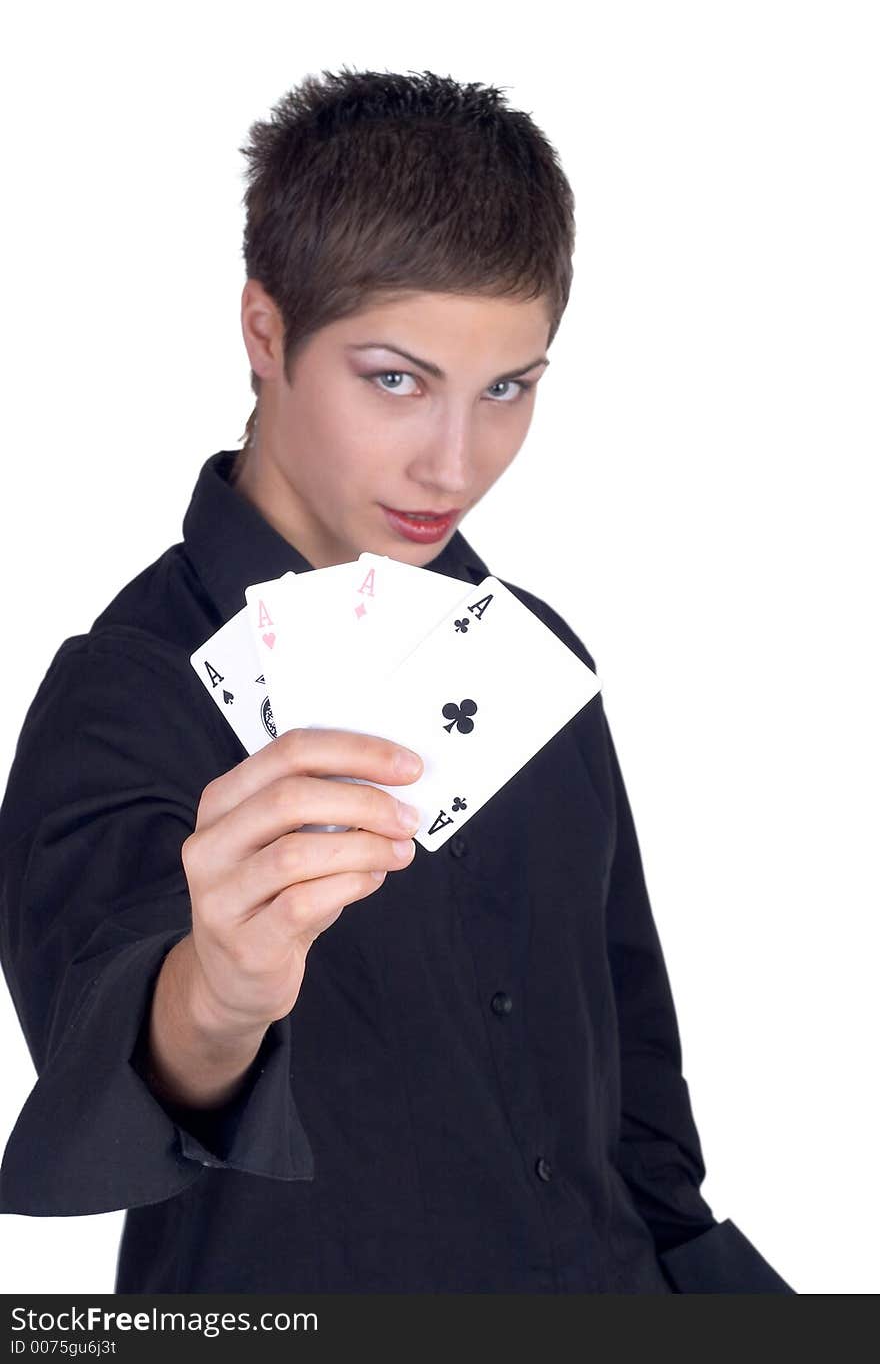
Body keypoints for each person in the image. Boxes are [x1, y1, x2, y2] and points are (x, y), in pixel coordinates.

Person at [0, 67, 794, 1293]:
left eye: (507, 390)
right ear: (266, 334)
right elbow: (117, 1060)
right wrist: (219, 994)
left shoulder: (536, 657)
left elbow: (638, 1102)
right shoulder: (126, 692)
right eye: (394, 380)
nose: (456, 461)